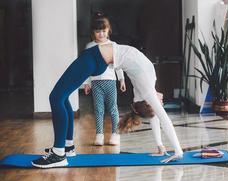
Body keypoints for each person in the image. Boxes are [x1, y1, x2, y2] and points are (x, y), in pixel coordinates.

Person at [32, 30, 182, 169]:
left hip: (95, 58)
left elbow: (163, 118)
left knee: (56, 97)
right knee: (61, 97)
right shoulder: (142, 92)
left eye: (158, 105)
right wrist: (160, 146)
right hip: (98, 59)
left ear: (149, 103)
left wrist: (177, 150)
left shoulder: (147, 91)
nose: (161, 103)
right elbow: (155, 118)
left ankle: (58, 154)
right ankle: (68, 147)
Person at [84, 12, 126, 146]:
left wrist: (121, 79)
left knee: (113, 108)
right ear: (93, 33)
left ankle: (115, 134)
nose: (101, 34)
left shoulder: (113, 45)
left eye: (103, 31)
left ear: (108, 31)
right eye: (98, 31)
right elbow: (86, 67)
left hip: (111, 81)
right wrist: (87, 82)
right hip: (96, 83)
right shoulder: (89, 47)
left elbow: (118, 64)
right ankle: (99, 135)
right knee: (98, 110)